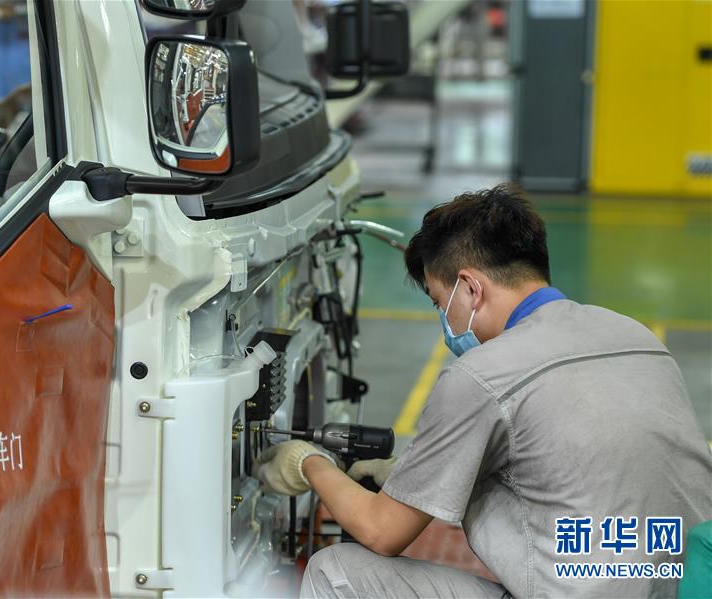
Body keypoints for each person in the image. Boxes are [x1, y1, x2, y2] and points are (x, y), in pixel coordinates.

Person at [253, 184, 712, 598]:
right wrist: (410, 472)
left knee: (336, 572)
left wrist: (307, 462)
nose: (445, 321)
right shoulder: (635, 336)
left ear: (470, 288)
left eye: (440, 302)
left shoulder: (483, 373)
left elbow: (381, 530)